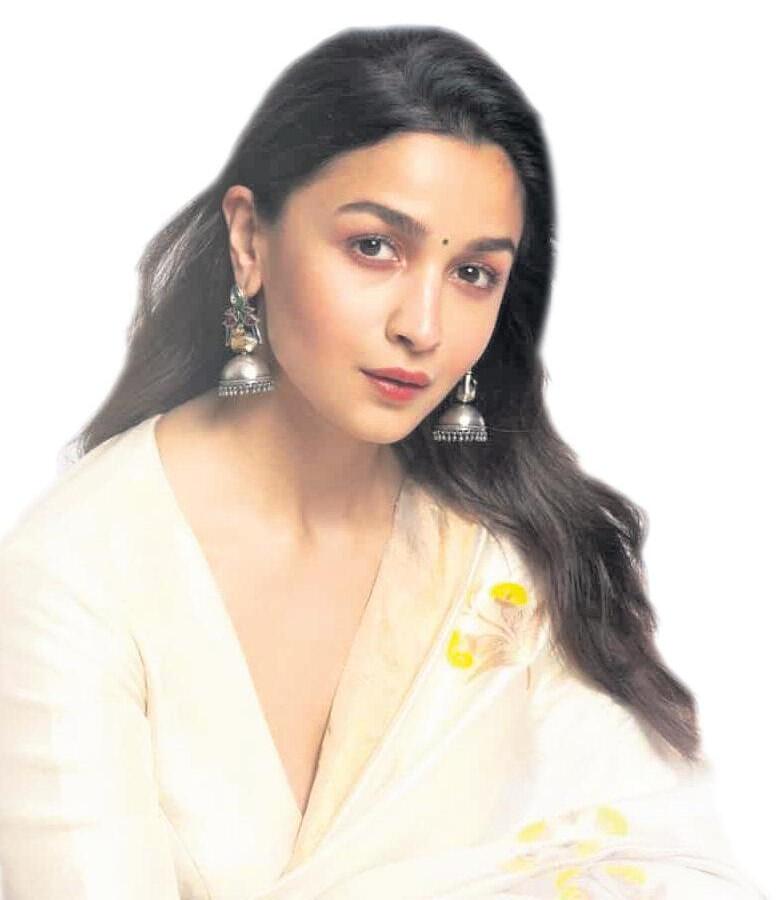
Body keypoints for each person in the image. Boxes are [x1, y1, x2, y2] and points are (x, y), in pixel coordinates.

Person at [0, 24, 767, 900]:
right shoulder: (76, 578)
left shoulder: (509, 556)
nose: (423, 326)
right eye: (374, 247)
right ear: (249, 240)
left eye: (473, 273)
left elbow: (666, 870)